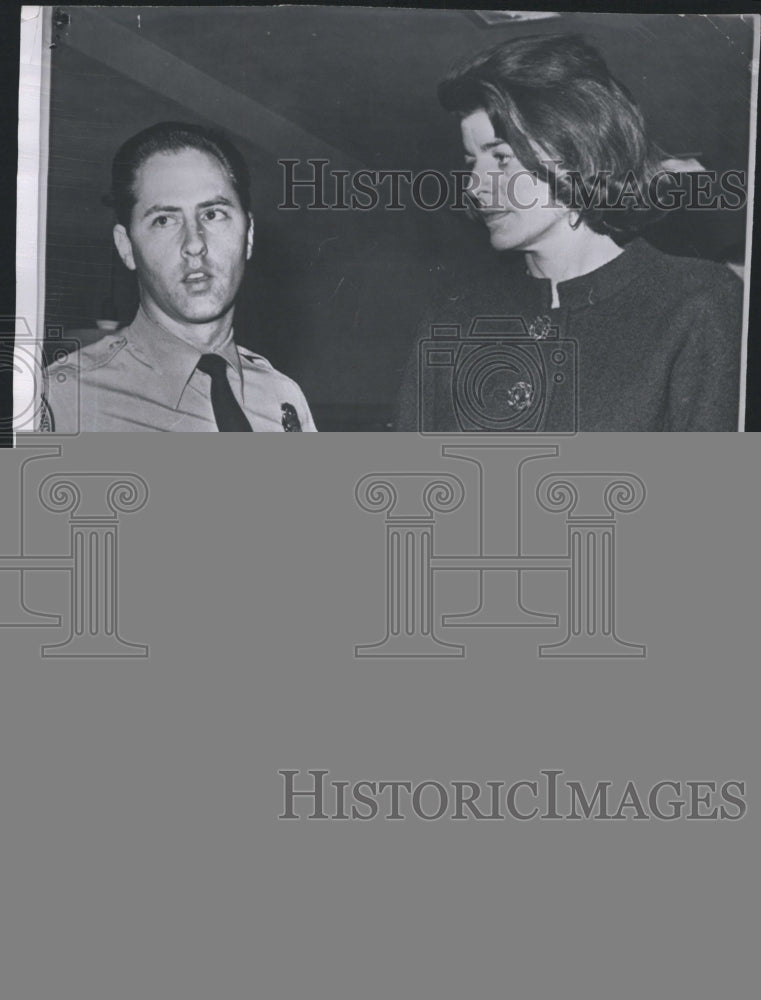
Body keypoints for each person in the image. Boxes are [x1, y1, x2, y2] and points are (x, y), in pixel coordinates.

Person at [396, 34, 744, 432]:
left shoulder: (698, 304)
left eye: (501, 158)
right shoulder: (454, 314)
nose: (475, 185)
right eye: (471, 161)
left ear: (576, 153)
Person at [43, 121, 316, 431]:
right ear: (127, 247)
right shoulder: (64, 401)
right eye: (164, 220)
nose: (195, 243)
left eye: (212, 214)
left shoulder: (283, 398)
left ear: (249, 235)